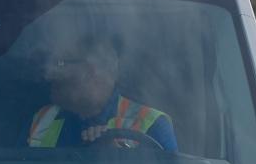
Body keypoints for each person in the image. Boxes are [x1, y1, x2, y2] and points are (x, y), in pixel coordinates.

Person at [25, 32, 179, 152]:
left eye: (61, 63)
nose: (50, 74)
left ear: (91, 70)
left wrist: (118, 160)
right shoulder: (43, 118)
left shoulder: (152, 124)